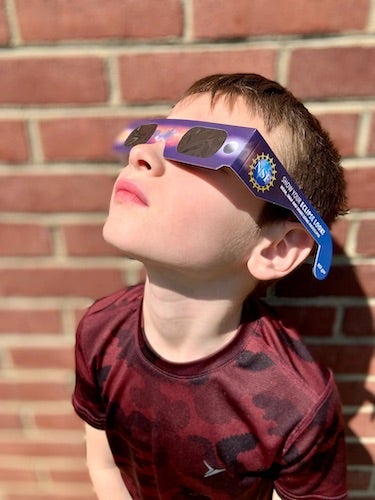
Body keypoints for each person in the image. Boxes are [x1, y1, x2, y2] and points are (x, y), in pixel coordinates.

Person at [72, 73, 348, 500]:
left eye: (205, 147)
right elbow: (103, 460)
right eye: (153, 132)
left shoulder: (296, 404)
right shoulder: (98, 330)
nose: (141, 153)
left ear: (276, 247)